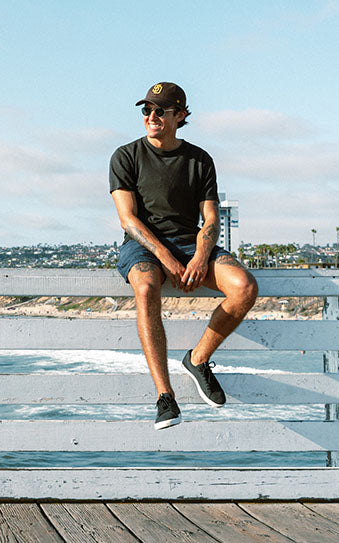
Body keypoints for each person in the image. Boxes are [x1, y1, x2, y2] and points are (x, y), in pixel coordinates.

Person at [108, 82, 258, 430]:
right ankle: (165, 397)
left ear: (180, 115)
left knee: (245, 287)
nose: (152, 116)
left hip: (191, 243)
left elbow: (211, 218)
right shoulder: (125, 156)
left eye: (160, 110)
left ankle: (198, 359)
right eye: (146, 110)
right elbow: (127, 219)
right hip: (143, 245)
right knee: (145, 288)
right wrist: (166, 257)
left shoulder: (199, 160)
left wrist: (199, 256)